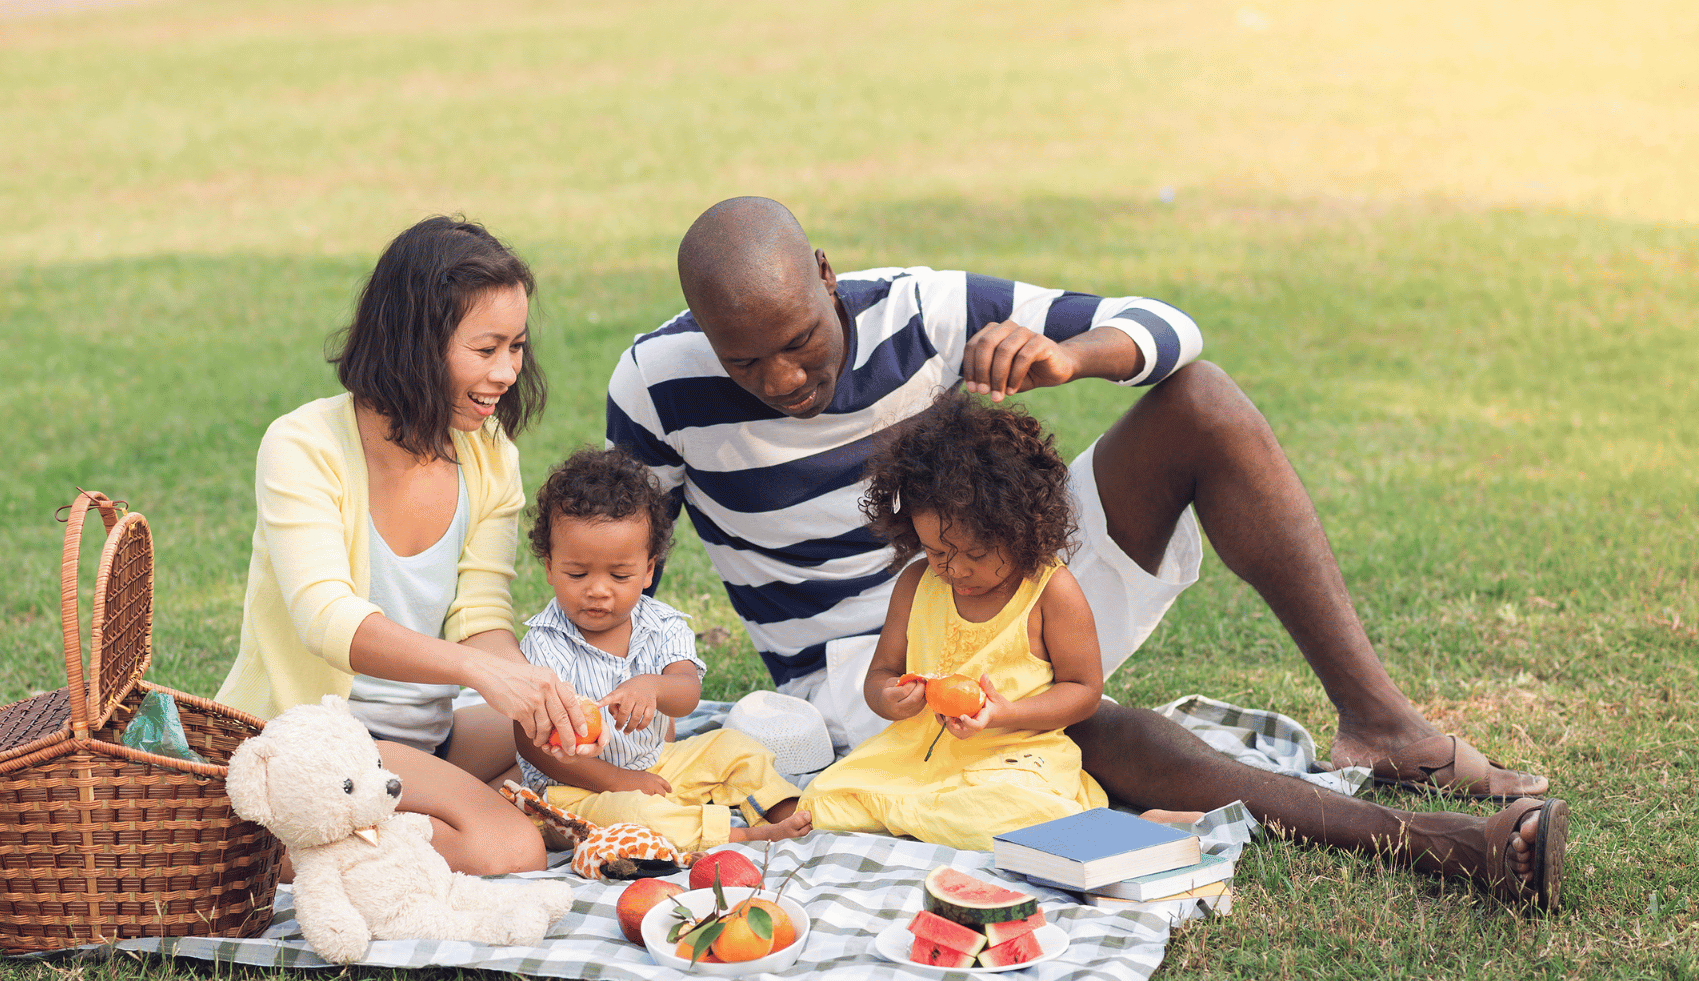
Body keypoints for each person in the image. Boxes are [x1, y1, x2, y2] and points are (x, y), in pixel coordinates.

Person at [605, 196, 1566, 907]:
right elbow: (628, 560)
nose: (781, 379)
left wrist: (1071, 357)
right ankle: (1438, 844)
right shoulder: (655, 382)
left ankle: (1383, 726)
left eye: (800, 341)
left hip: (1005, 582)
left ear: (825, 273)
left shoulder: (921, 308)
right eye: (745, 359)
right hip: (869, 678)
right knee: (1099, 735)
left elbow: (1172, 329)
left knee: (1203, 400)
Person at [218, 216, 601, 876]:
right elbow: (325, 619)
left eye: (517, 346)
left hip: (423, 736)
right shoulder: (303, 446)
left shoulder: (489, 458)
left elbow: (479, 615)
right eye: (486, 350)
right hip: (322, 741)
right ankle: (272, 848)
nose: (508, 370)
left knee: (574, 758)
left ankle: (370, 826)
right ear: (416, 344)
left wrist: (527, 688)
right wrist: (477, 673)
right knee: (512, 847)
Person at [800, 394, 1111, 850]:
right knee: (821, 801)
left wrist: (1006, 713)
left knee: (1023, 811)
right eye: (937, 551)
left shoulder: (1050, 591)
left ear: (1021, 529)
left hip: (1013, 757)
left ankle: (921, 819)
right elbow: (880, 675)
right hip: (918, 755)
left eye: (976, 555)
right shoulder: (917, 584)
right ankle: (927, 816)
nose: (955, 570)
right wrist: (891, 698)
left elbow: (1084, 691)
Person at [512, 447, 814, 849]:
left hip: (658, 763)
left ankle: (783, 808)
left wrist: (652, 687)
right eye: (577, 573)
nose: (598, 590)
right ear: (550, 567)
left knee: (732, 746)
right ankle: (737, 834)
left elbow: (687, 694)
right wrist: (620, 782)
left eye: (620, 575)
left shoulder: (662, 624)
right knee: (635, 818)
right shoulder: (544, 644)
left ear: (649, 569)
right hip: (579, 792)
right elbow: (528, 743)